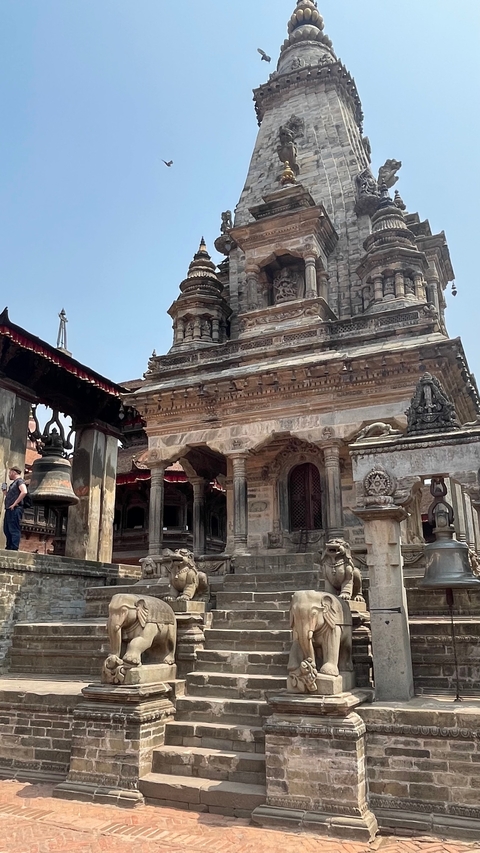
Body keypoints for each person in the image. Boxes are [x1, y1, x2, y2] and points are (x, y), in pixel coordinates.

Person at [2, 466, 27, 551]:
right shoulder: (13, 483)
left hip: (15, 509)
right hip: (9, 509)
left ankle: (14, 547)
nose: (9, 474)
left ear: (14, 472)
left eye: (10, 472)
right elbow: (8, 495)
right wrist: (4, 489)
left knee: (13, 529)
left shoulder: (19, 481)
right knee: (7, 529)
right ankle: (9, 546)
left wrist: (15, 504)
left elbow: (24, 491)